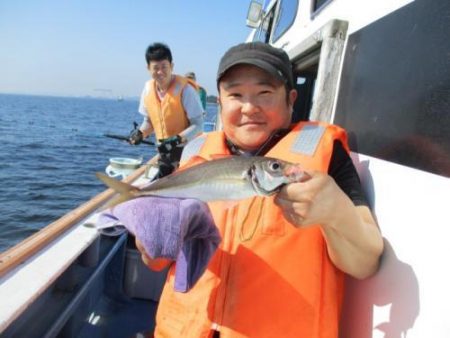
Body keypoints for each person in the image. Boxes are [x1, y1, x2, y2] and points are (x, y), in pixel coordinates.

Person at [135, 42, 384, 337]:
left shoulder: (325, 156)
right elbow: (154, 261)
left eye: (265, 93)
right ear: (221, 101)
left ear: (291, 99)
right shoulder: (195, 154)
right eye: (235, 94)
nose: (249, 107)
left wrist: (335, 212)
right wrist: (149, 237)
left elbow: (365, 263)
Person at [129, 42, 204, 178]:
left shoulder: (186, 90)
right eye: (155, 68)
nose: (160, 72)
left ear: (172, 66)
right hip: (165, 155)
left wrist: (177, 140)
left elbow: (198, 125)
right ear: (148, 68)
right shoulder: (147, 90)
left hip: (189, 154)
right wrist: (140, 133)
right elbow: (149, 122)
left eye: (164, 66)